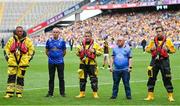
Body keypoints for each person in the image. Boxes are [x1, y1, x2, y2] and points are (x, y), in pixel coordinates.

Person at [144, 26, 176, 102]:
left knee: (167, 78)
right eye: (157, 32)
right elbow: (147, 49)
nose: (158, 33)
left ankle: (170, 95)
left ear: (163, 32)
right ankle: (150, 95)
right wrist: (151, 49)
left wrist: (168, 49)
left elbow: (173, 50)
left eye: (159, 31)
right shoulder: (152, 41)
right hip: (154, 61)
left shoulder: (167, 41)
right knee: (151, 77)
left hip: (164, 61)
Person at [3, 26, 35, 98]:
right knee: (11, 77)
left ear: (23, 31)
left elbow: (32, 51)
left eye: (21, 31)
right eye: (18, 31)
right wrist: (8, 58)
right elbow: (6, 49)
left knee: (20, 78)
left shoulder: (27, 40)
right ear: (16, 32)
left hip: (23, 63)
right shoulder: (11, 40)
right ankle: (9, 93)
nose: (20, 32)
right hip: (12, 62)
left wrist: (27, 59)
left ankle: (19, 92)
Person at [76, 31, 103, 98]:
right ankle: (82, 93)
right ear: (84, 37)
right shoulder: (81, 45)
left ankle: (95, 93)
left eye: (88, 36)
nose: (87, 37)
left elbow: (100, 53)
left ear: (91, 37)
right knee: (82, 79)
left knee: (93, 79)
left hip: (92, 64)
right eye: (86, 36)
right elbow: (76, 53)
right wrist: (79, 51)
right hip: (82, 64)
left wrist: (94, 51)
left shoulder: (95, 44)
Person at [45, 27, 66, 97]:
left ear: (59, 33)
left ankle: (62, 93)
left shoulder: (62, 41)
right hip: (51, 62)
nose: (55, 33)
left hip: (60, 62)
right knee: (51, 78)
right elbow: (46, 51)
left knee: (61, 78)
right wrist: (51, 57)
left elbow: (64, 52)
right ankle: (50, 93)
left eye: (57, 32)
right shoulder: (49, 41)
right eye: (54, 32)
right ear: (52, 33)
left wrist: (59, 57)